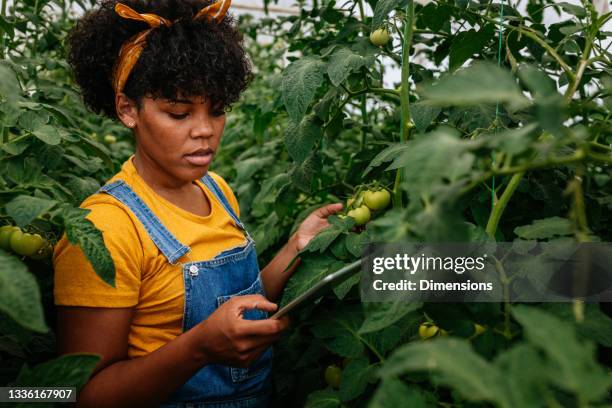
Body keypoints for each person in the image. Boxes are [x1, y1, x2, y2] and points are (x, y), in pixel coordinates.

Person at [53, 1, 343, 406]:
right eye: (178, 113)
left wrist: (297, 247)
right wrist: (198, 348)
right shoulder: (105, 229)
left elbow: (242, 302)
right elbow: (81, 395)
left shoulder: (217, 191)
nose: (205, 131)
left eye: (218, 110)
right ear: (127, 110)